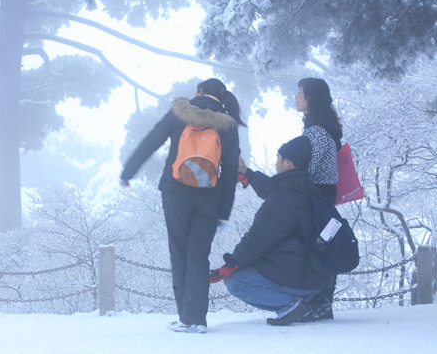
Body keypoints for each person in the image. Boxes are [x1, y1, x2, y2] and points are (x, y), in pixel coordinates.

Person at [120, 78, 244, 333]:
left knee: (179, 253)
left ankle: (185, 318)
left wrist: (128, 173)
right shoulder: (228, 124)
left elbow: (151, 141)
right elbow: (231, 169)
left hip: (176, 191)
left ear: (199, 91)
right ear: (222, 96)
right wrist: (224, 211)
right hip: (209, 196)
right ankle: (197, 320)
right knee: (198, 256)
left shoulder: (180, 111)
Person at [210, 136, 334, 326]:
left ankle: (294, 307)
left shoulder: (285, 198)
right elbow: (274, 189)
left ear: (288, 162)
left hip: (302, 274)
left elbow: (257, 238)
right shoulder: (306, 187)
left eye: (278, 158)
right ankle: (313, 302)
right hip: (318, 275)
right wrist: (247, 174)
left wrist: (232, 264)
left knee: (236, 282)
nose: (275, 162)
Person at [296, 77, 343, 205]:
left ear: (310, 97)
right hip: (320, 199)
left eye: (299, 92)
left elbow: (304, 170)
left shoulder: (318, 132)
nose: (296, 96)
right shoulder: (320, 127)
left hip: (316, 201)